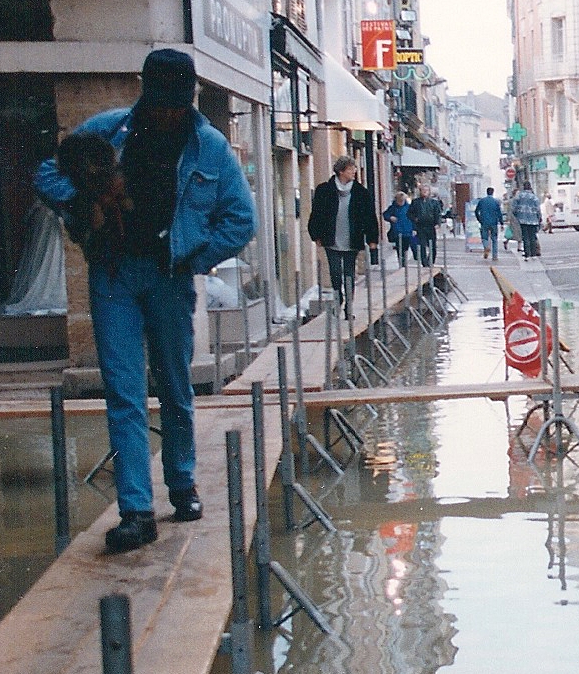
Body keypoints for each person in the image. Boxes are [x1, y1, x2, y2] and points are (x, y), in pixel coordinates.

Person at [34, 48, 256, 553]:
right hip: (113, 274)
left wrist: (194, 259)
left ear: (189, 99)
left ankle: (182, 483)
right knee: (124, 391)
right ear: (145, 94)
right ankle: (136, 510)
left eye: (176, 105)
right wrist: (82, 200)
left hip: (169, 278)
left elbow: (241, 220)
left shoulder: (210, 147)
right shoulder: (108, 130)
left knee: (175, 386)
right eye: (160, 104)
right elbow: (48, 174)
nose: (168, 114)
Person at [305, 157, 377, 319]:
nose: (354, 172)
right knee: (335, 272)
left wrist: (372, 239)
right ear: (341, 171)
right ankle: (339, 299)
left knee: (349, 274)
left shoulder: (361, 192)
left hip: (352, 239)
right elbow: (316, 214)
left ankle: (349, 308)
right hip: (331, 239)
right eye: (351, 169)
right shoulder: (324, 190)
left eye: (354, 169)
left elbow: (369, 217)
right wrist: (315, 235)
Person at [409, 183, 443, 267]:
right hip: (420, 227)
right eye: (423, 190)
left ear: (429, 192)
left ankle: (431, 261)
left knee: (432, 245)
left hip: (431, 226)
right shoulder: (415, 202)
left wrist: (438, 223)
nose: (424, 192)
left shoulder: (434, 202)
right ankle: (424, 262)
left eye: (426, 190)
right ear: (420, 191)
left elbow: (438, 214)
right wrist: (415, 219)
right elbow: (410, 213)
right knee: (422, 245)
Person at [511, 181, 544, 259]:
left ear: (523, 187)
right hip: (533, 220)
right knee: (532, 237)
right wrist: (539, 218)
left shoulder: (519, 196)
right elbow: (538, 209)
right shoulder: (534, 197)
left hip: (522, 219)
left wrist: (518, 215)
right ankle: (533, 254)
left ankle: (527, 254)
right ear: (530, 187)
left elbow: (514, 208)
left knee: (525, 237)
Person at [383, 192, 416, 267]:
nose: (401, 202)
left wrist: (414, 229)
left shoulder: (409, 207)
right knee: (400, 249)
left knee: (414, 245)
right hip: (398, 232)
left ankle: (417, 258)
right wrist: (390, 217)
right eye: (399, 201)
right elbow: (385, 214)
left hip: (409, 231)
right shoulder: (393, 208)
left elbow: (414, 218)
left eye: (402, 201)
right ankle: (402, 264)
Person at [473, 186, 504, 261]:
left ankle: (486, 246)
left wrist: (479, 219)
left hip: (484, 222)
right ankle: (495, 256)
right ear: (493, 192)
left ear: (486, 192)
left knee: (484, 237)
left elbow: (476, 211)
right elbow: (499, 213)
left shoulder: (482, 201)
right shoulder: (496, 202)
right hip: (494, 222)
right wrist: (501, 223)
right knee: (494, 239)